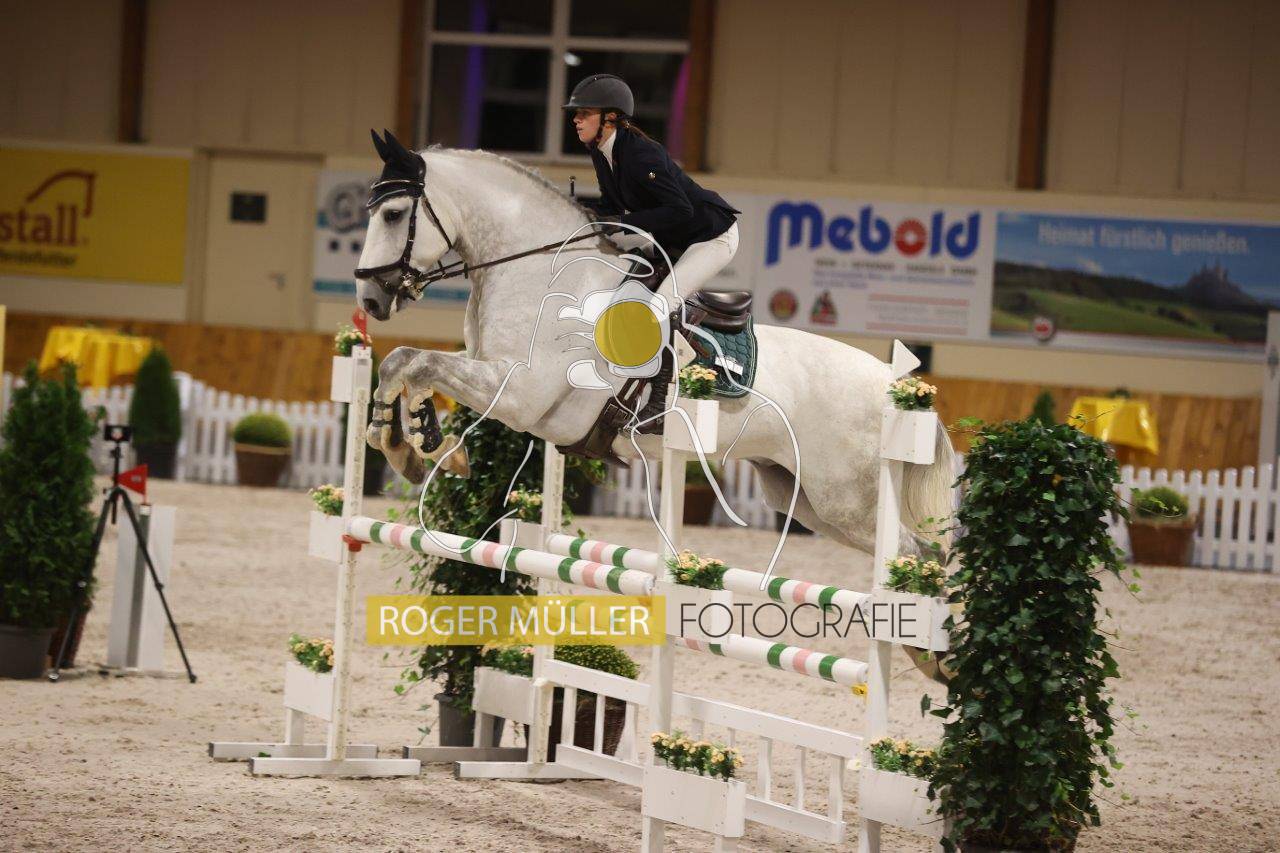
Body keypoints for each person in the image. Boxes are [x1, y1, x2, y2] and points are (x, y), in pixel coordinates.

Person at [564, 73, 740, 306]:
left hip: (711, 237)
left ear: (610, 117)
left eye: (584, 113)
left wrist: (621, 222)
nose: (576, 119)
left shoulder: (641, 154)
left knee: (661, 304)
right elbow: (610, 206)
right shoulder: (600, 152)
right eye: (577, 113)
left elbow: (681, 210)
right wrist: (573, 211)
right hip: (674, 240)